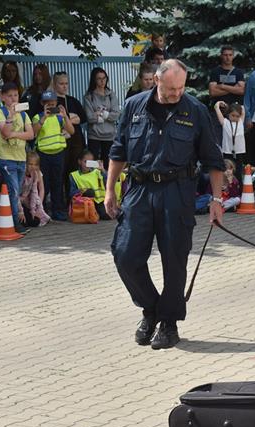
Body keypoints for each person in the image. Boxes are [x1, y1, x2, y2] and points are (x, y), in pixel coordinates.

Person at [104, 59, 225, 350]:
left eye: (181, 87)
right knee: (125, 254)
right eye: (171, 88)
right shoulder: (134, 106)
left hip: (177, 192)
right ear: (156, 80)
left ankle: (169, 322)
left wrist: (217, 199)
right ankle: (151, 309)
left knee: (174, 259)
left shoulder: (194, 110)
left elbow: (213, 159)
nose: (176, 93)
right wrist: (110, 191)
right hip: (139, 190)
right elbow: (118, 150)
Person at [0, 82, 35, 230]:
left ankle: (8, 218)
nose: (13, 98)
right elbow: (5, 132)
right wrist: (11, 117)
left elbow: (31, 134)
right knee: (13, 189)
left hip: (20, 157)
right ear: (3, 97)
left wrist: (14, 135)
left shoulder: (24, 114)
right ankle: (15, 222)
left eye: (16, 95)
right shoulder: (0, 113)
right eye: (10, 96)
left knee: (16, 190)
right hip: (6, 157)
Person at [32, 90, 74, 221]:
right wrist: (44, 117)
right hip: (43, 155)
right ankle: (42, 209)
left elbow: (71, 131)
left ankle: (58, 210)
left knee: (57, 182)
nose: (50, 105)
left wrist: (65, 116)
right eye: (47, 103)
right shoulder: (38, 117)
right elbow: (33, 133)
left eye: (53, 103)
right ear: (42, 104)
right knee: (43, 183)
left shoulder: (60, 117)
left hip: (58, 154)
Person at [83, 67, 121, 166]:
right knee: (93, 164)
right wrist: (106, 115)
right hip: (94, 136)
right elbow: (89, 117)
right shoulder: (89, 96)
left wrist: (102, 114)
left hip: (109, 136)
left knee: (108, 164)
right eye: (99, 78)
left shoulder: (111, 94)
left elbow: (116, 115)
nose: (102, 81)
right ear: (94, 80)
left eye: (104, 78)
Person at [69, 150, 109, 220]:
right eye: (85, 162)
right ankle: (93, 213)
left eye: (90, 162)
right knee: (90, 192)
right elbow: (71, 192)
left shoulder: (97, 171)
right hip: (84, 201)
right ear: (79, 162)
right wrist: (80, 191)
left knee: (107, 216)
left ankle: (96, 213)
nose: (88, 165)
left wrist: (102, 170)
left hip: (99, 201)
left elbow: (108, 181)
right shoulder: (74, 175)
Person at [215, 101, 246, 176]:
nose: (235, 118)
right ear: (228, 114)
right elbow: (216, 108)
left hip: (239, 152)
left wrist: (236, 105)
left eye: (237, 116)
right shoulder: (224, 122)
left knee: (238, 172)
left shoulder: (241, 121)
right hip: (227, 151)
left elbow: (243, 108)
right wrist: (219, 104)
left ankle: (239, 186)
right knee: (227, 171)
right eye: (233, 115)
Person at [21, 152, 50, 227]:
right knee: (24, 222)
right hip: (21, 201)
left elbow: (39, 190)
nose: (33, 167)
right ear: (26, 163)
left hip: (32, 200)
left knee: (36, 221)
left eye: (35, 164)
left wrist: (36, 206)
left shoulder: (37, 174)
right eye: (30, 164)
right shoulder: (21, 174)